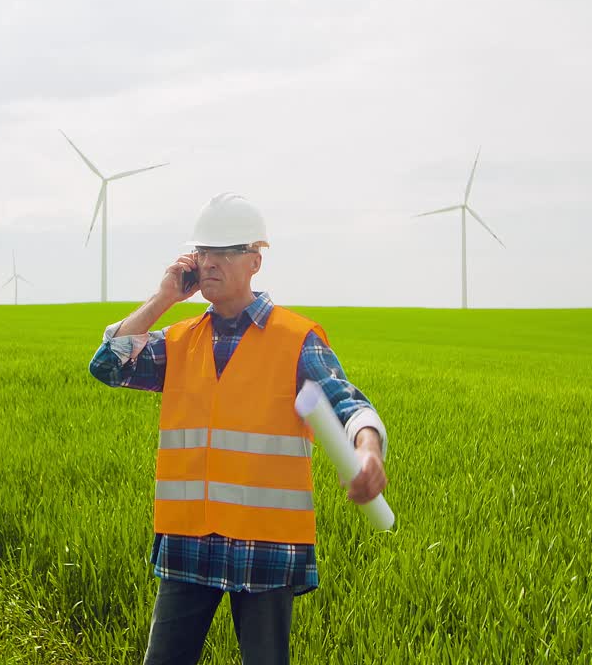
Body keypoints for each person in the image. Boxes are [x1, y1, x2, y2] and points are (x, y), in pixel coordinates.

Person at [88, 192, 388, 665]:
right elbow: (107, 365)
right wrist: (165, 296)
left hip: (265, 546)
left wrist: (368, 452)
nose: (209, 262)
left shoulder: (296, 340)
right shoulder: (179, 341)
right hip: (189, 543)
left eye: (225, 252)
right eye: (203, 251)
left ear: (254, 260)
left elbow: (348, 404)